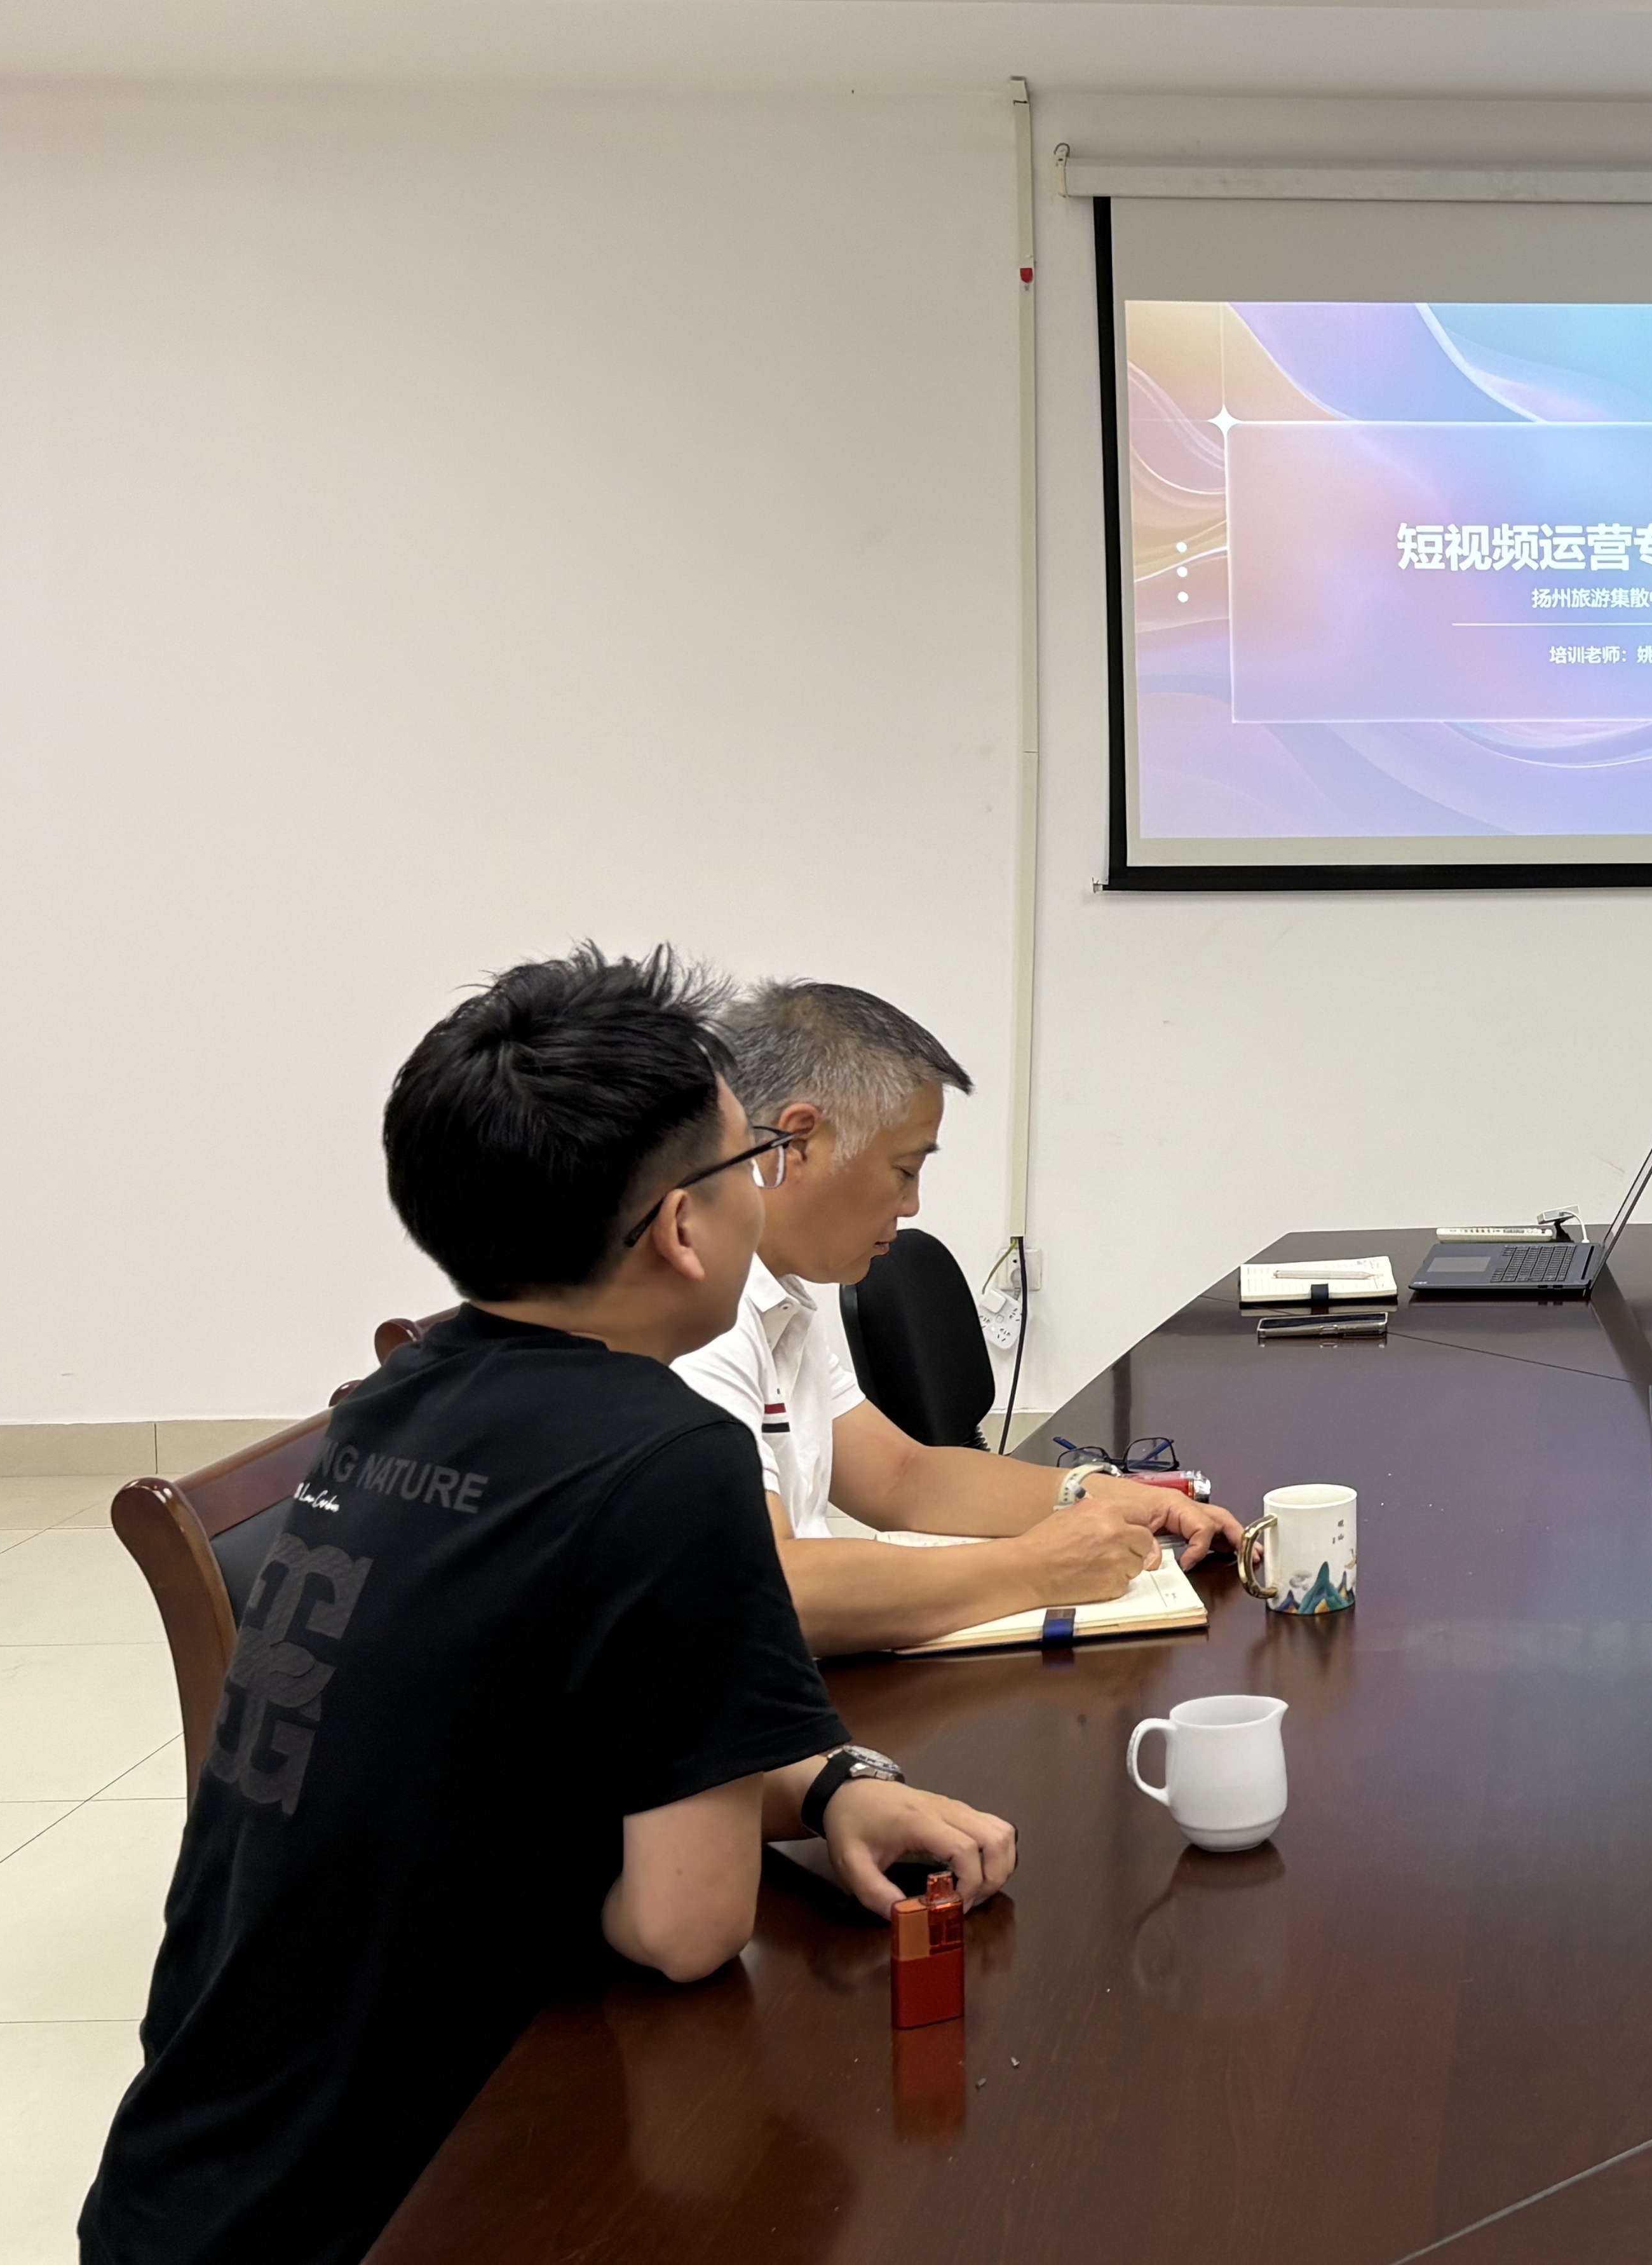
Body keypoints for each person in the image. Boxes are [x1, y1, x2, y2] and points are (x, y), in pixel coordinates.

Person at [81, 949, 1017, 2265]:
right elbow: (684, 1928)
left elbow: (535, 1722)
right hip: (393, 2206)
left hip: (189, 2179)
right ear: (684, 1227)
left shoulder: (399, 1400)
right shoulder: (669, 1458)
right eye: (749, 1162)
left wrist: (823, 1785)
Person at [674, 979, 1239, 1656]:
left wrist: (1099, 1493)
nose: (912, 1205)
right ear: (797, 1142)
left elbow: (902, 1478)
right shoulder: (698, 1325)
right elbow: (768, 1588)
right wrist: (1035, 1566)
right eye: (904, 1170)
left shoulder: (777, 1298)